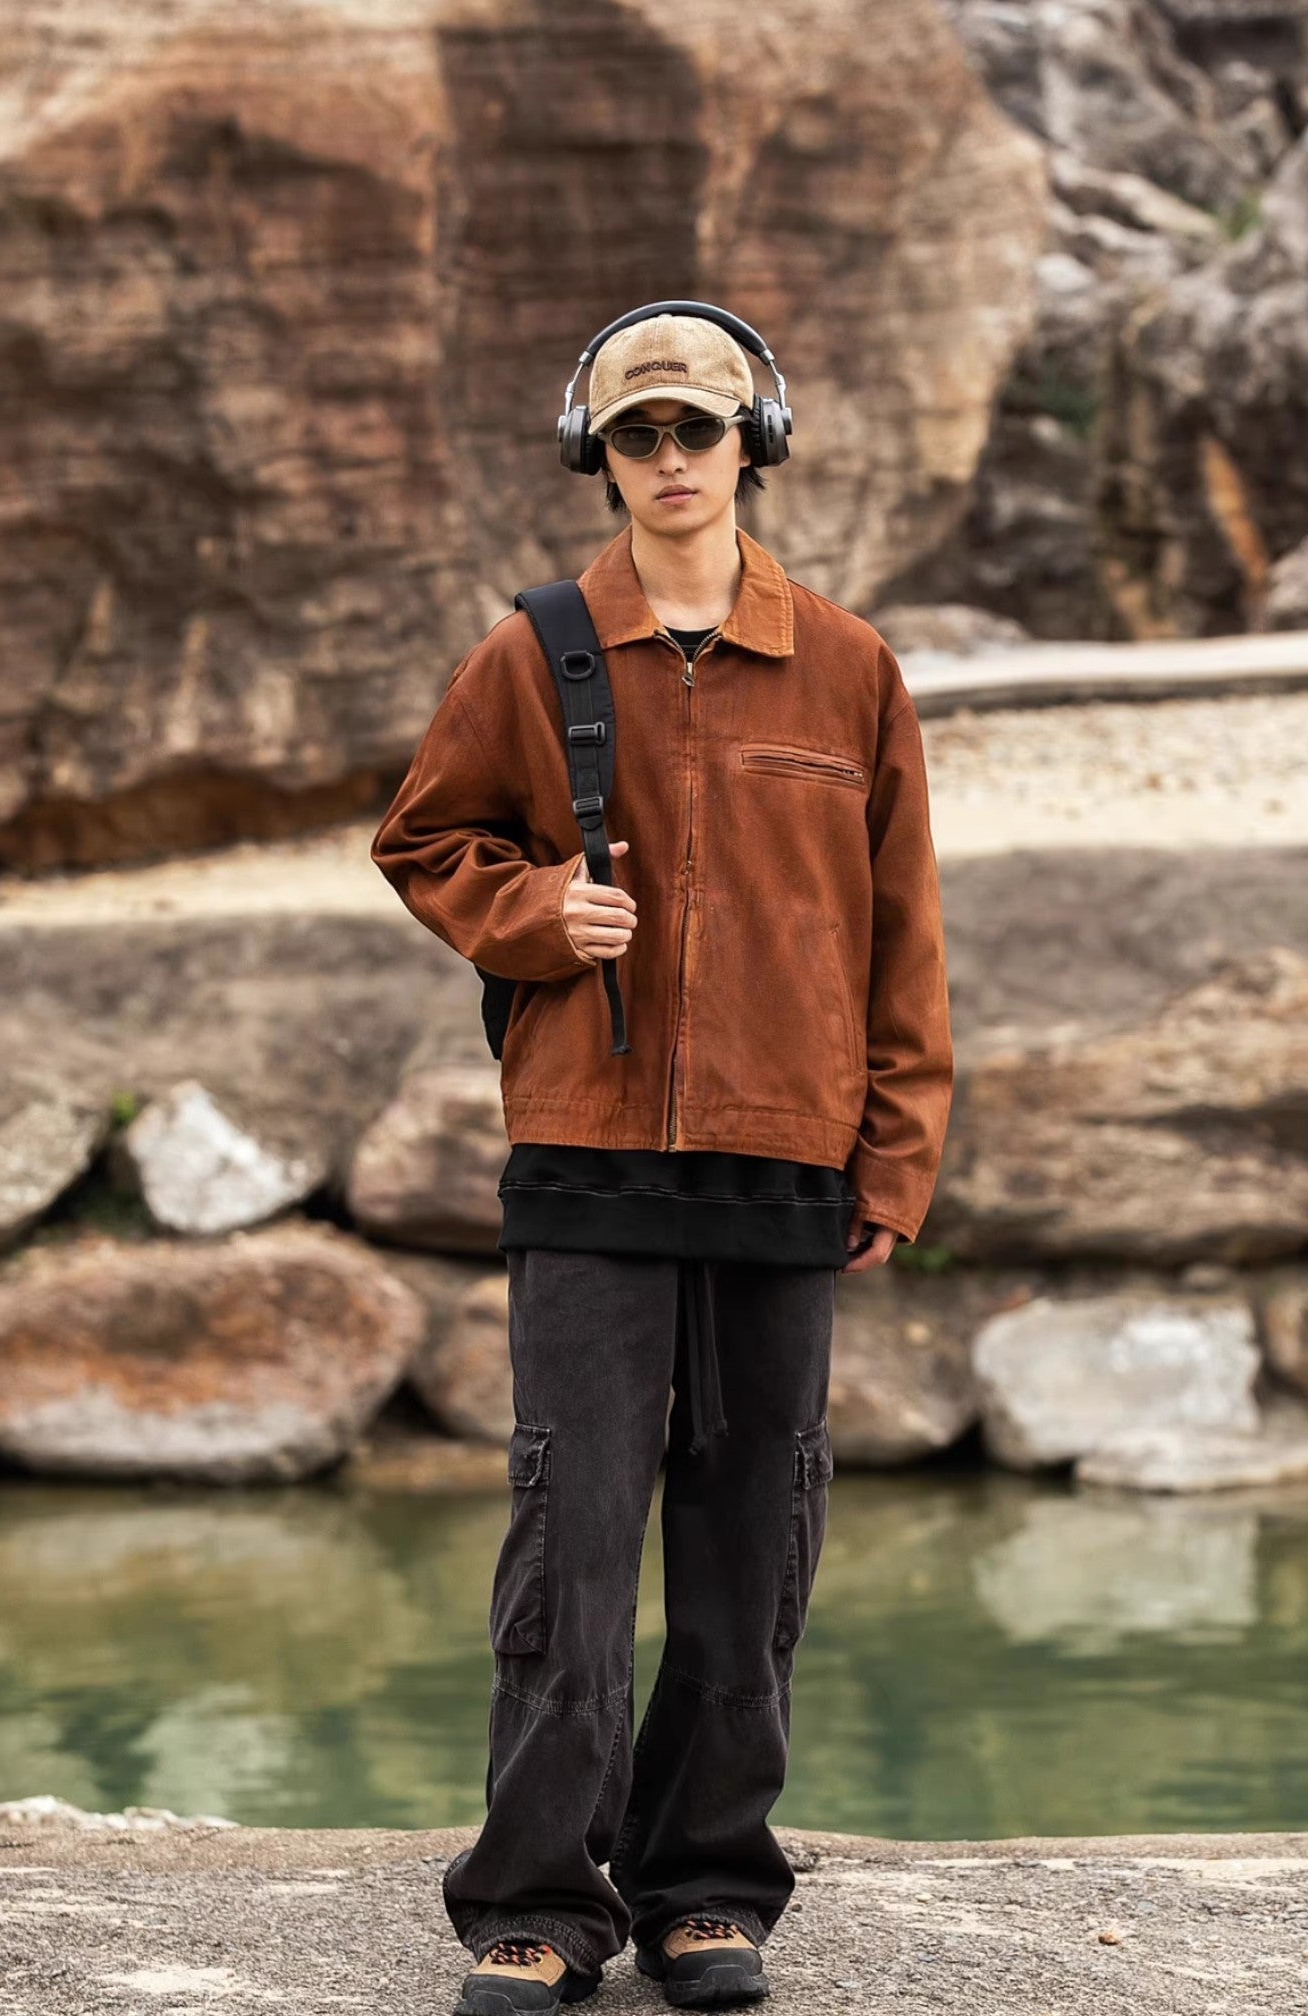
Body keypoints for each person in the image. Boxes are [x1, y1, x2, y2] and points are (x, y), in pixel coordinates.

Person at [371, 306, 954, 2013]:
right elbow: (424, 838)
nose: (674, 458)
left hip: (789, 1162)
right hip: (587, 1157)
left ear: (753, 440)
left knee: (753, 1543)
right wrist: (540, 912)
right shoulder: (529, 652)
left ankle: (708, 1888)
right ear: (597, 453)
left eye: (700, 428)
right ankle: (539, 1903)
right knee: (572, 1539)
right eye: (641, 434)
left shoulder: (849, 666)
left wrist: (894, 1161)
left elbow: (904, 936)